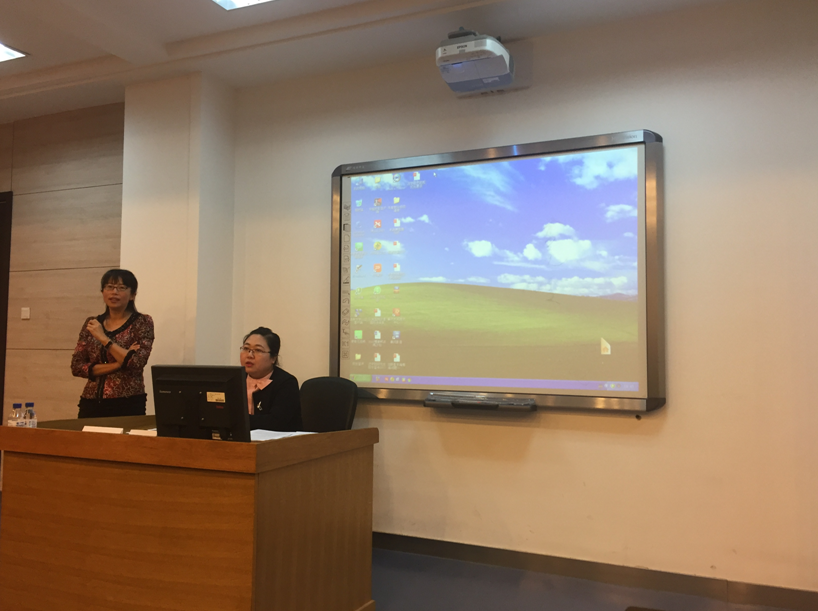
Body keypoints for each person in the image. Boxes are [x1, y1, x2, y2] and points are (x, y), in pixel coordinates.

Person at [71, 269, 155, 418]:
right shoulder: (92, 323)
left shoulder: (142, 322)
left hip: (127, 403)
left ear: (132, 295)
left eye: (121, 288)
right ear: (102, 292)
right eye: (109, 287)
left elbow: (136, 363)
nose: (114, 292)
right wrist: (119, 363)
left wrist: (104, 339)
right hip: (90, 402)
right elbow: (77, 367)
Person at [240, 327, 302, 431]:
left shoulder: (286, 383)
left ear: (273, 358)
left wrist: (238, 420)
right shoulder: (235, 379)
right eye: (246, 349)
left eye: (258, 350)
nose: (249, 355)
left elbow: (275, 422)